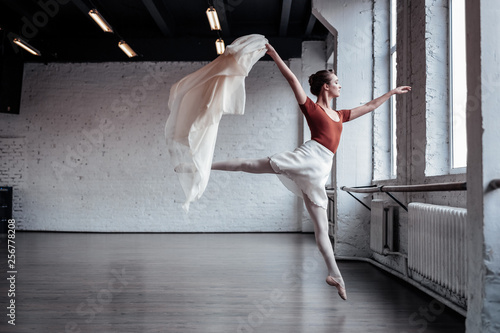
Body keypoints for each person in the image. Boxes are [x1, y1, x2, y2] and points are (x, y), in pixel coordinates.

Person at [211, 44, 411, 300]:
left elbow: (371, 106)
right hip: (307, 159)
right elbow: (292, 78)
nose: (340, 85)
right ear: (326, 86)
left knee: (321, 229)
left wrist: (392, 92)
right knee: (250, 165)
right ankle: (206, 166)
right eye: (336, 82)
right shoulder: (311, 107)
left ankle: (335, 274)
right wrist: (274, 53)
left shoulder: (340, 115)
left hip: (319, 172)